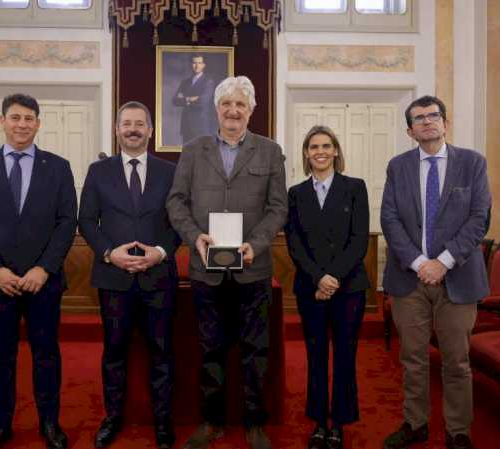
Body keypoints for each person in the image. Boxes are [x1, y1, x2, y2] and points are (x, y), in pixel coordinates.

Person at [166, 76, 288, 449]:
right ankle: (212, 421)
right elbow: (176, 202)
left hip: (254, 269)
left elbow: (278, 207)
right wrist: (193, 237)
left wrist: (257, 242)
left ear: (251, 110)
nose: (233, 111)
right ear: (215, 109)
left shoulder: (270, 151)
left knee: (256, 351)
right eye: (226, 104)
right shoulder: (193, 150)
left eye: (241, 105)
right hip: (207, 270)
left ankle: (254, 423)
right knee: (211, 349)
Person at [0, 93, 77, 449]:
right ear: (2, 121)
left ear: (38, 124)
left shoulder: (58, 166)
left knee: (46, 355)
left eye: (29, 118)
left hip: (43, 282)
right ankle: (0, 425)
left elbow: (66, 222)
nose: (22, 124)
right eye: (15, 118)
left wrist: (44, 269)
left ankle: (49, 425)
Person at [380, 95, 491, 449]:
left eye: (433, 116)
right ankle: (416, 424)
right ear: (410, 131)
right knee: (413, 360)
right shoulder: (398, 167)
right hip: (408, 279)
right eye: (419, 118)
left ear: (445, 122)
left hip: (457, 278)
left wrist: (442, 262)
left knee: (457, 362)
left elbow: (479, 219)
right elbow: (390, 219)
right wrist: (418, 263)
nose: (427, 122)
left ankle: (458, 431)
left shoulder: (472, 164)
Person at [78, 101, 180, 449]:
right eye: (127, 124)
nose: (133, 129)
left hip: (158, 278)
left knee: (162, 353)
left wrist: (160, 253)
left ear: (150, 130)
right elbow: (87, 221)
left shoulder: (171, 171)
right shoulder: (98, 171)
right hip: (114, 278)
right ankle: (113, 418)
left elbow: (180, 221)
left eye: (140, 123)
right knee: (114, 352)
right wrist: (110, 253)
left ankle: (163, 422)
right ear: (117, 129)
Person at [284, 126, 370, 449]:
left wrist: (331, 277)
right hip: (310, 288)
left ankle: (341, 423)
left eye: (326, 145)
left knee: (345, 357)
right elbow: (294, 243)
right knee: (316, 356)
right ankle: (320, 421)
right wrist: (318, 278)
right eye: (313, 146)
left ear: (336, 150)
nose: (319, 151)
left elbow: (359, 239)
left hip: (348, 288)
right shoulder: (296, 193)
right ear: (306, 153)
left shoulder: (355, 188)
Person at [172, 54, 217, 144]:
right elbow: (175, 101)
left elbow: (203, 101)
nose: (197, 66)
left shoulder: (208, 82)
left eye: (199, 63)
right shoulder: (185, 82)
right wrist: (190, 99)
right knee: (187, 155)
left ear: (204, 65)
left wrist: (184, 99)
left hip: (201, 126)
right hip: (186, 126)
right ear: (190, 64)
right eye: (194, 63)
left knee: (201, 155)